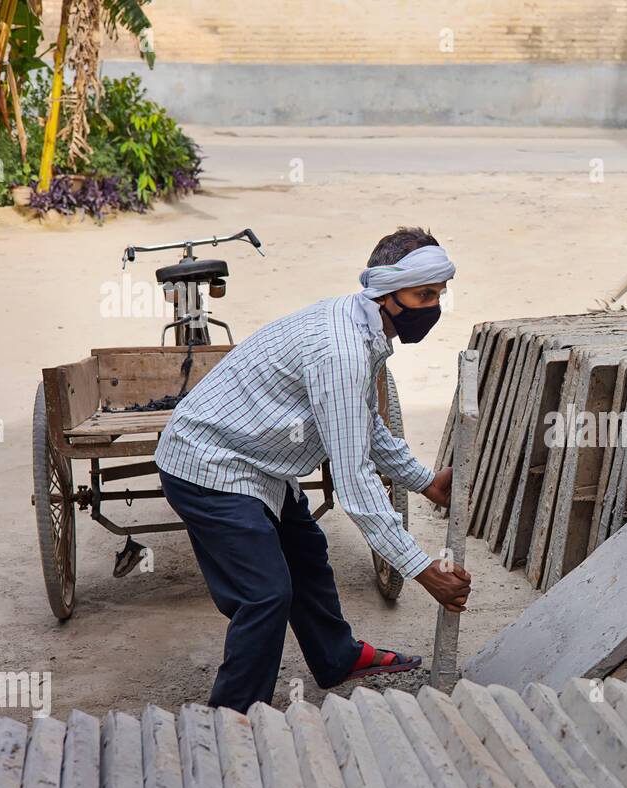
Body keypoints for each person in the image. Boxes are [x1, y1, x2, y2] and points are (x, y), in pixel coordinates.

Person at [154, 226, 472, 713]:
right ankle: (232, 717)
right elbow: (354, 482)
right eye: (423, 295)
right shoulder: (341, 350)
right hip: (208, 463)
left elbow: (363, 424)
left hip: (256, 461)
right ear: (385, 293)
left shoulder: (361, 327)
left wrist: (425, 481)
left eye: (438, 295)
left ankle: (336, 657)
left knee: (306, 552)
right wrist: (421, 569)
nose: (433, 307)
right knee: (264, 596)